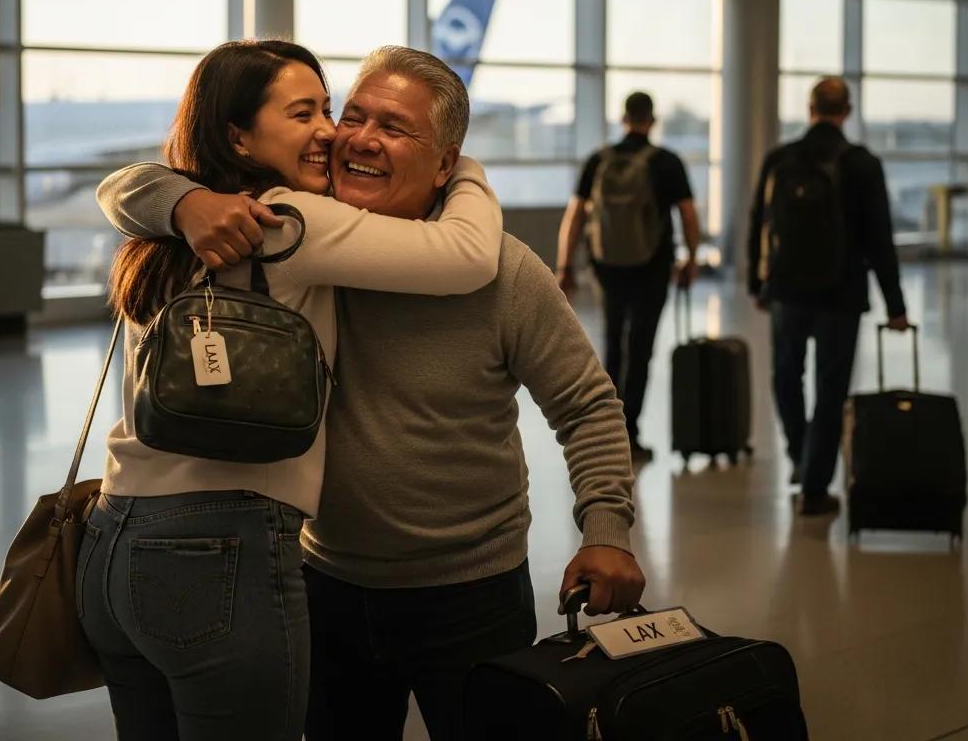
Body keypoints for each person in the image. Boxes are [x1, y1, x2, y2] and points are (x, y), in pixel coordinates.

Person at [98, 45, 646, 741]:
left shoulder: (503, 270)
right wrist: (184, 199)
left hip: (471, 591)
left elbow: (585, 404)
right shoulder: (303, 235)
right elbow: (137, 182)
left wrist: (607, 530)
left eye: (393, 127)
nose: (354, 137)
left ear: (444, 163)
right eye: (349, 115)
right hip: (321, 585)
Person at [748, 76, 909, 516]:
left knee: (786, 376)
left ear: (810, 107)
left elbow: (758, 222)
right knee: (831, 389)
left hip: (786, 289)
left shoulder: (780, 159)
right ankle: (815, 488)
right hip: (842, 292)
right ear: (848, 111)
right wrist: (895, 304)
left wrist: (756, 283)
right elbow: (880, 239)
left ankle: (800, 455)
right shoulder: (861, 163)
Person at [556, 91, 700, 460]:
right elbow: (687, 214)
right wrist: (692, 257)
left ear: (624, 119)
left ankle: (607, 434)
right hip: (652, 267)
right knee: (641, 348)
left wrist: (565, 266)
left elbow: (575, 216)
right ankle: (630, 433)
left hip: (607, 267)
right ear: (651, 121)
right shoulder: (666, 163)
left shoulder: (598, 160)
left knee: (612, 345)